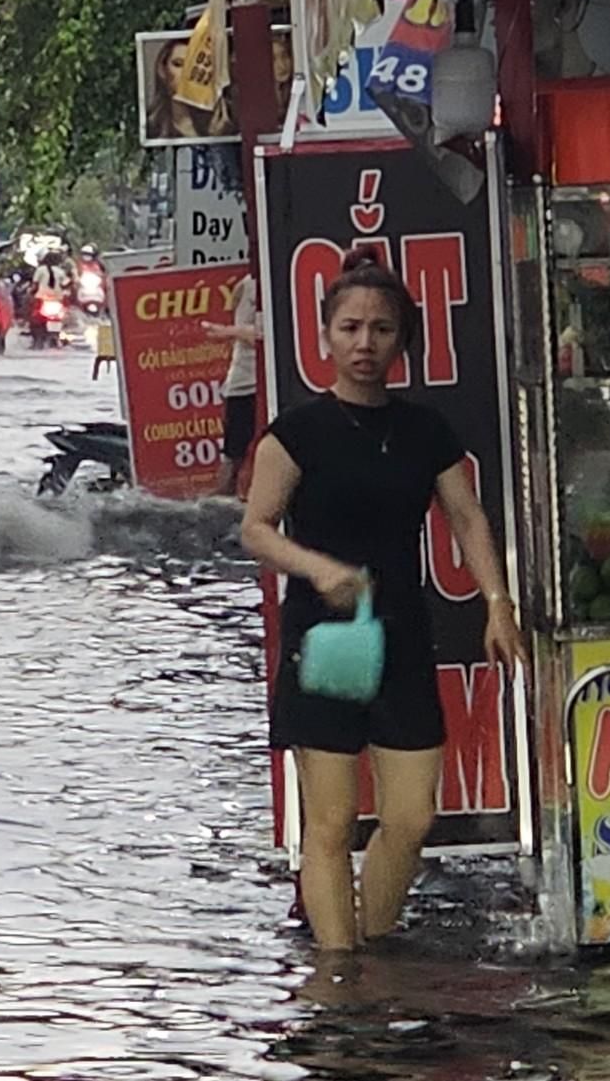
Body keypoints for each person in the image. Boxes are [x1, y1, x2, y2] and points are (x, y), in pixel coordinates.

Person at [240, 251, 524, 952]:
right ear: (325, 337)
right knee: (331, 822)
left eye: (382, 329)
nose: (365, 343)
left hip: (400, 632)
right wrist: (318, 568)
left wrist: (498, 602)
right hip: (322, 638)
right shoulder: (295, 432)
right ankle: (339, 977)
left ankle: (373, 935)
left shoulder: (425, 430)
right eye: (351, 328)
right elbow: (254, 528)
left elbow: (468, 518)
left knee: (410, 814)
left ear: (404, 340)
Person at [207, 274, 263, 496]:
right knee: (234, 458)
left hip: (261, 383)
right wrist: (230, 331)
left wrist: (229, 331)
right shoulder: (248, 286)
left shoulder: (268, 282)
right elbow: (259, 337)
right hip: (246, 383)